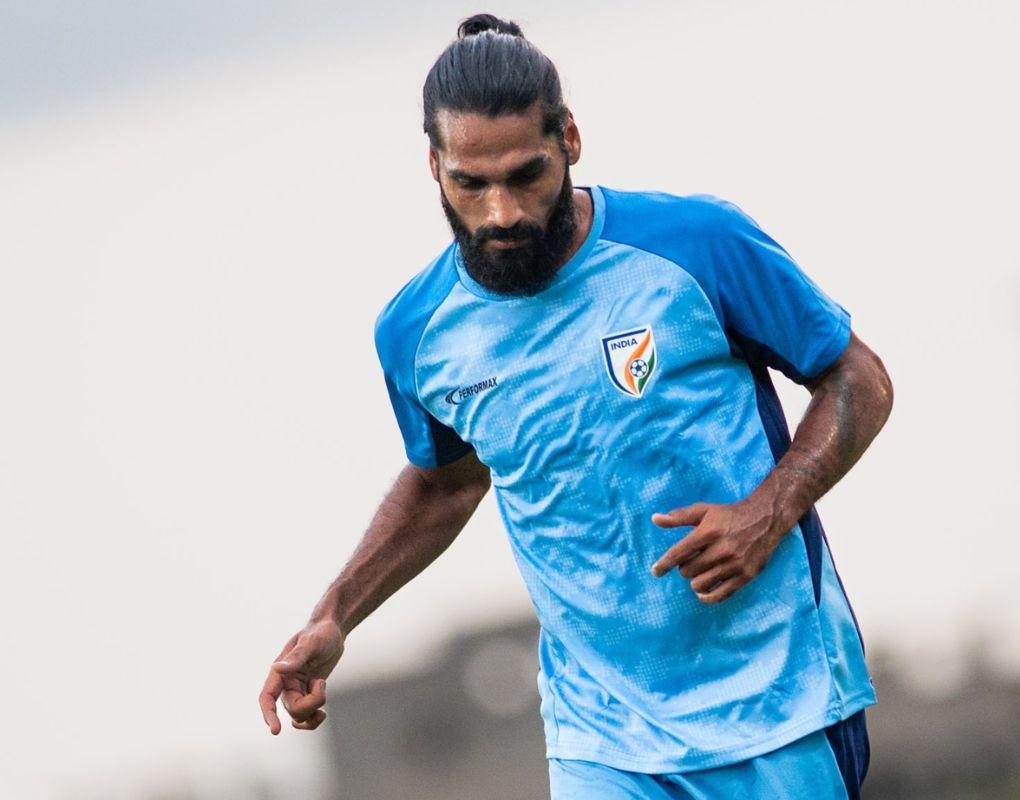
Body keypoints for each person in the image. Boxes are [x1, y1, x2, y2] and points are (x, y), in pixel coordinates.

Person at [259, 13, 894, 799]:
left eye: (526, 175)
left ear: (570, 138)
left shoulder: (695, 244)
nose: (503, 213)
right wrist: (335, 615)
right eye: (472, 183)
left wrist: (771, 506)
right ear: (433, 164)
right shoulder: (416, 333)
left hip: (779, 701)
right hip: (603, 738)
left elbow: (858, 379)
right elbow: (446, 479)